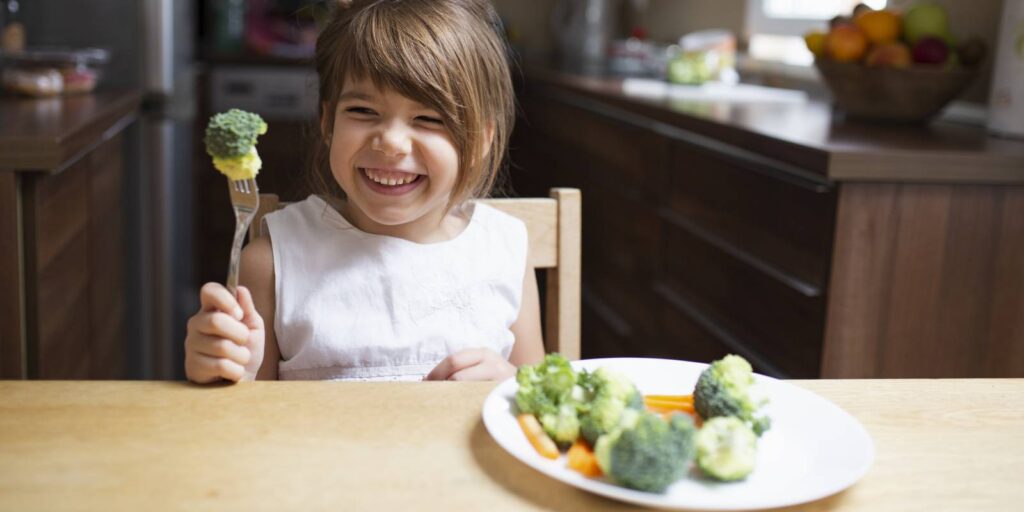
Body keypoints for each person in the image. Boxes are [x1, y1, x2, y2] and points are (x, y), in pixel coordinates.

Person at [184, 0, 544, 383]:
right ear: (328, 123)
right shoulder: (271, 263)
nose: (390, 142)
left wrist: (509, 383)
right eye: (363, 111)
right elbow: (239, 421)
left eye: (429, 118)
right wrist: (222, 367)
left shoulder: (504, 250)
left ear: (482, 140)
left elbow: (542, 403)